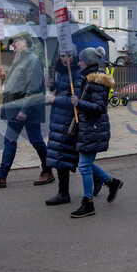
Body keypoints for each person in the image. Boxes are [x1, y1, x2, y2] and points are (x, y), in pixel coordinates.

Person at [0, 33, 51, 188]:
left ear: (23, 42)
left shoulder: (32, 60)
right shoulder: (20, 59)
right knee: (10, 140)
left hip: (27, 109)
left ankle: (48, 170)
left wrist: (25, 110)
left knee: (36, 140)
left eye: (14, 42)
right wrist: (6, 76)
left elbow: (33, 88)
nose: (12, 45)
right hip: (17, 108)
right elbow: (20, 82)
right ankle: (1, 175)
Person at [70, 47, 123, 218]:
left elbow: (100, 107)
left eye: (81, 60)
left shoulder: (97, 81)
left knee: (84, 165)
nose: (78, 63)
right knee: (85, 163)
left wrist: (79, 103)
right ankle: (111, 181)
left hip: (93, 128)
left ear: (88, 62)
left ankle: (88, 203)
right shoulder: (89, 79)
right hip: (89, 128)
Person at [43, 49, 84, 206]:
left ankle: (63, 193)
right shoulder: (60, 71)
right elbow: (62, 91)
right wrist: (52, 86)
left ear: (74, 57)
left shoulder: (77, 73)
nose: (65, 59)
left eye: (69, 56)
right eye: (62, 56)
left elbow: (75, 100)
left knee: (62, 156)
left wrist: (55, 99)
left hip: (67, 119)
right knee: (70, 155)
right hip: (57, 118)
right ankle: (103, 179)